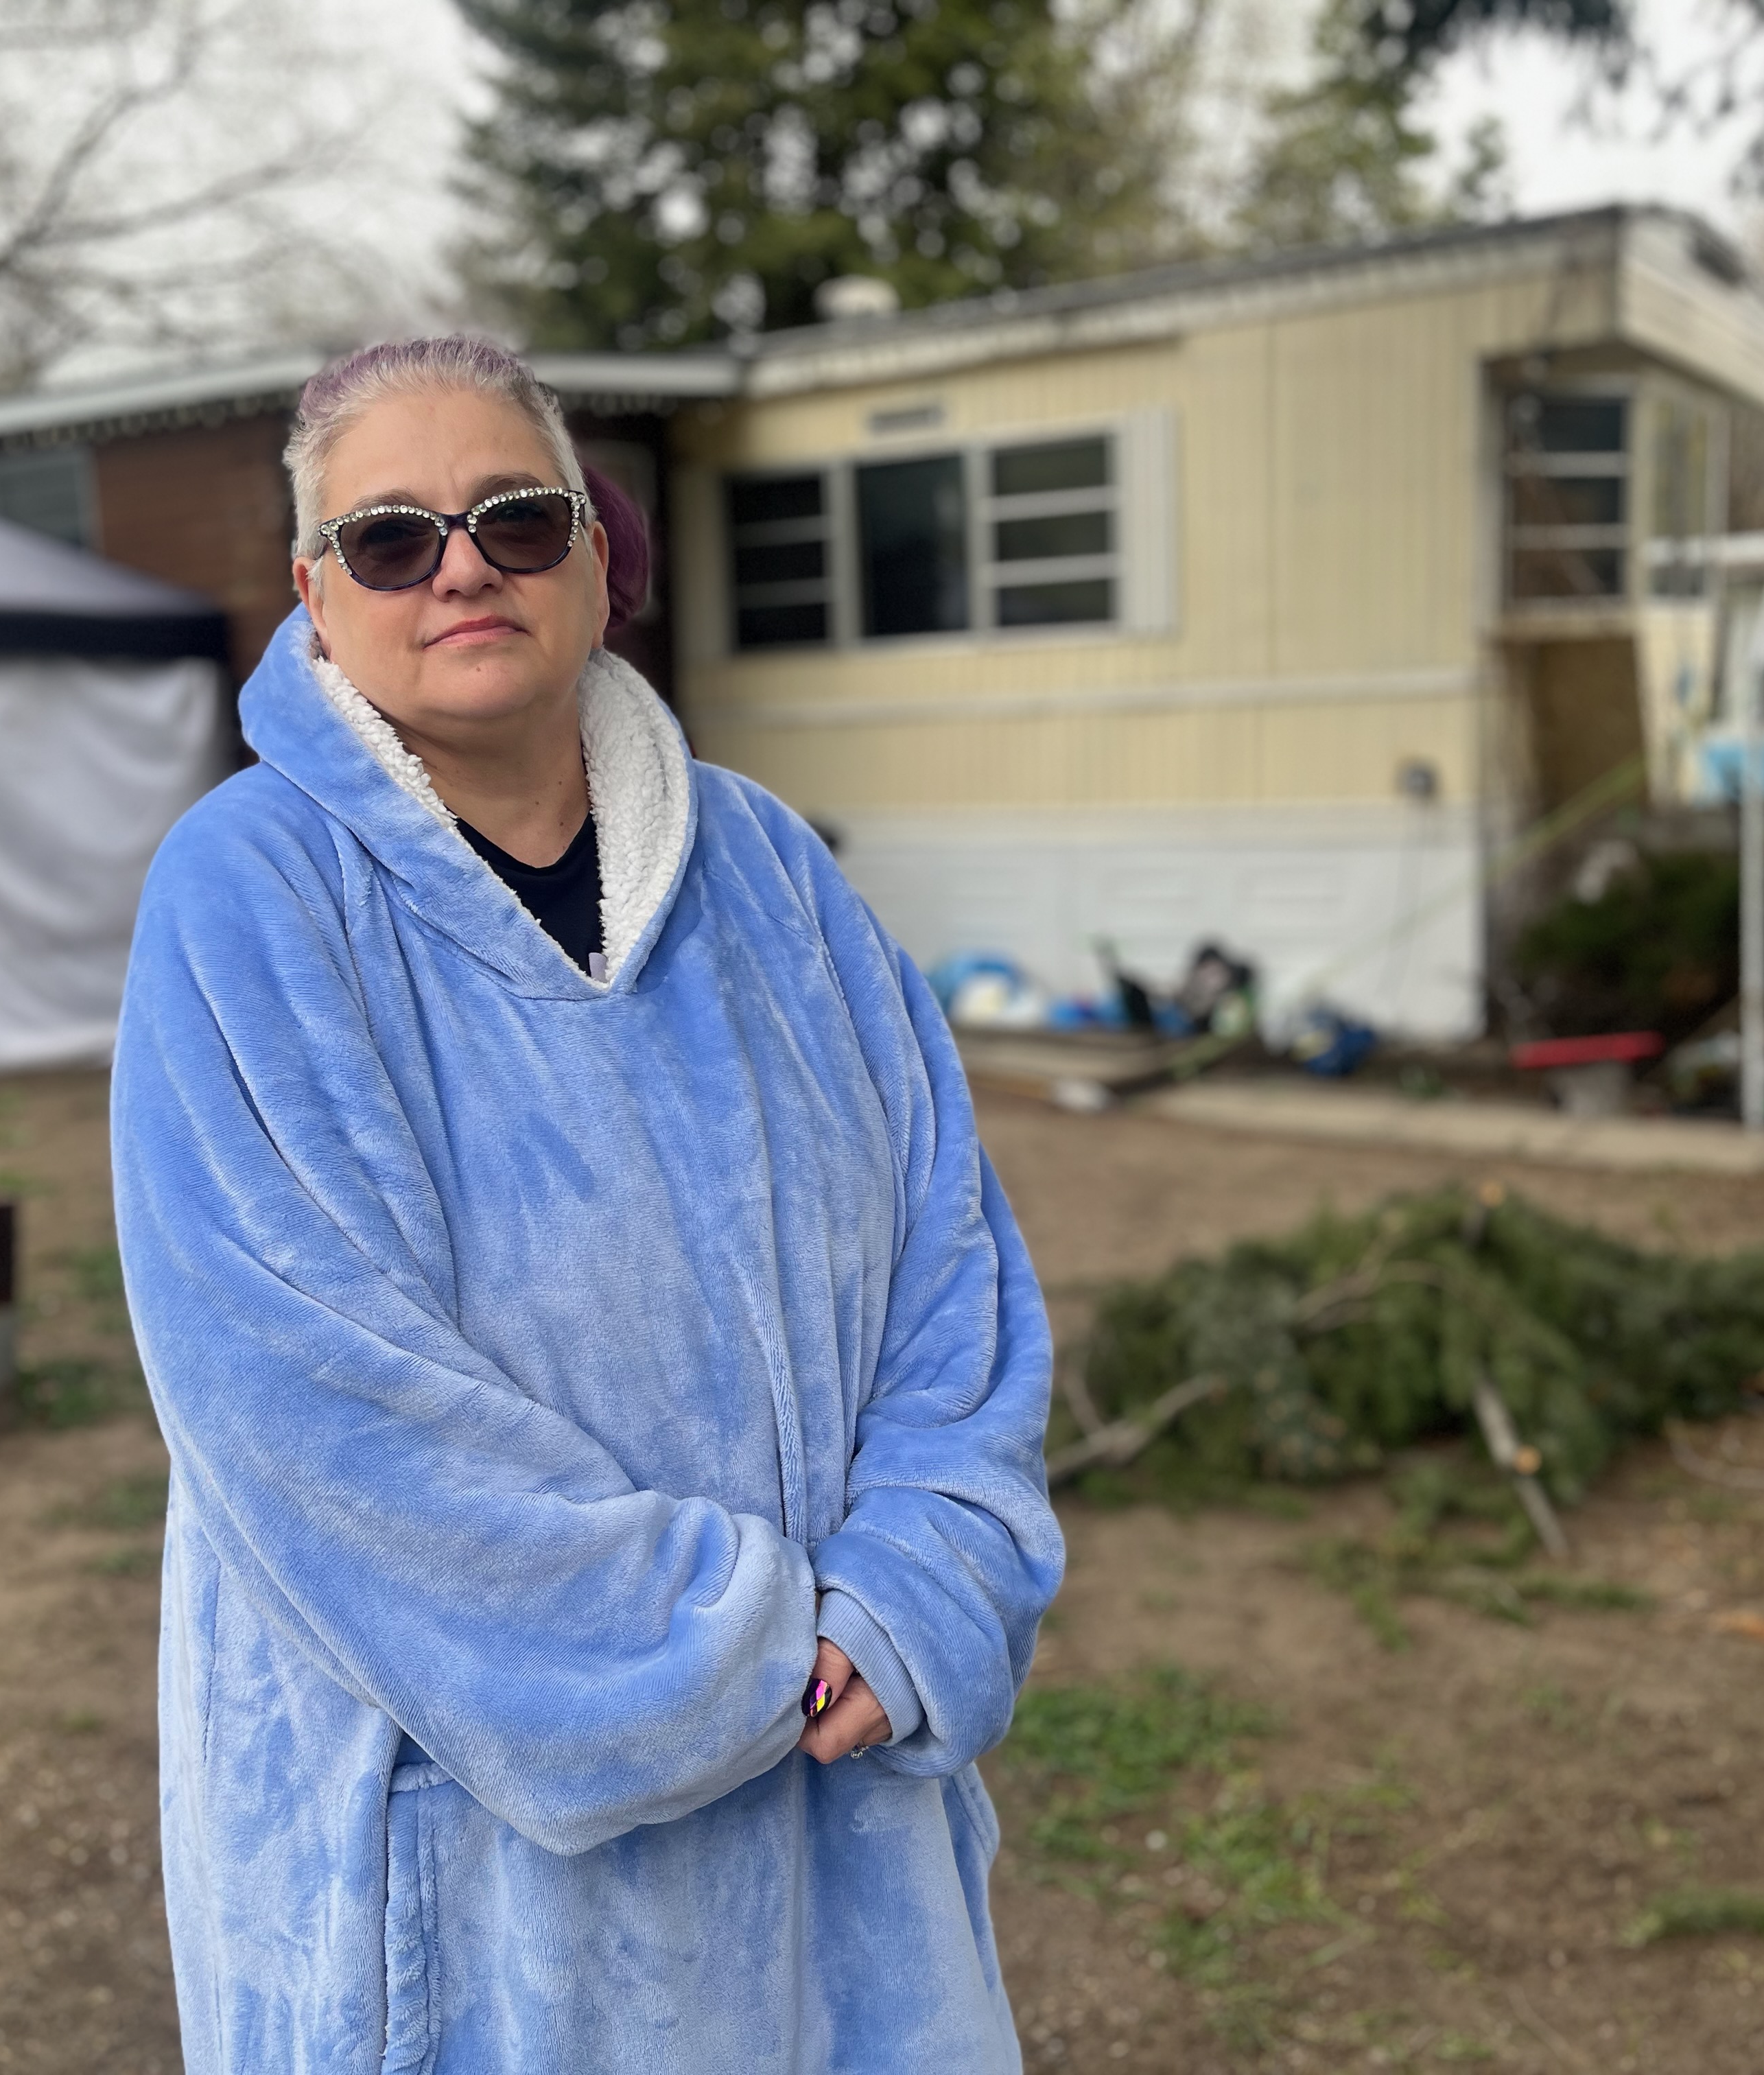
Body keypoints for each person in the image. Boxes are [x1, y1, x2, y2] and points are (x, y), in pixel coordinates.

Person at [110, 336, 1062, 2073]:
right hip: (468, 1875)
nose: (461, 567)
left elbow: (952, 1263)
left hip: (841, 1814)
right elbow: (305, 1402)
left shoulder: (773, 874)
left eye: (517, 517)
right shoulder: (248, 895)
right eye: (390, 538)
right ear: (316, 595)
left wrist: (917, 1583)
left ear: (597, 556)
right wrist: (725, 1656)